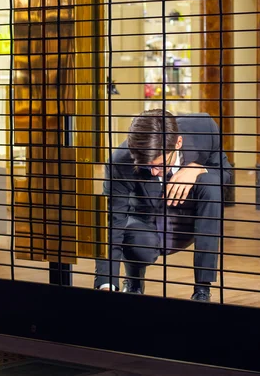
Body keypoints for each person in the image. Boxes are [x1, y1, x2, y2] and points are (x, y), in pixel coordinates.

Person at [94, 109, 231, 301]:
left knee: (211, 185)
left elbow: (226, 174)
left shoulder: (203, 129)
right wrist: (106, 282)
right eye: (146, 166)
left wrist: (197, 168)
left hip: (189, 218)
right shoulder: (120, 161)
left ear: (178, 143)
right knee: (134, 238)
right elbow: (112, 222)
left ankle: (202, 289)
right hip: (144, 224)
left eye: (160, 165)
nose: (153, 172)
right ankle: (133, 282)